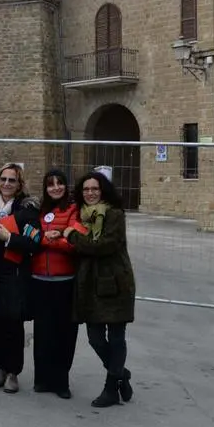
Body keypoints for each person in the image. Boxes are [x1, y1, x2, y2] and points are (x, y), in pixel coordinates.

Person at [65, 171, 136, 408]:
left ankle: (110, 388)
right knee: (95, 338)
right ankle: (121, 374)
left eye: (94, 189)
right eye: (86, 189)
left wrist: (73, 236)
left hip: (115, 282)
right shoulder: (83, 216)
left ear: (103, 190)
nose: (90, 193)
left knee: (116, 338)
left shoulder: (114, 214)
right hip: (91, 285)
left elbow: (104, 245)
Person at [0, 163, 40, 394]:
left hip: (15, 273)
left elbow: (34, 242)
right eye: (3, 179)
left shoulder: (27, 210)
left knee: (13, 323)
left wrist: (10, 238)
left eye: (12, 180)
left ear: (19, 184)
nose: (7, 184)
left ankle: (13, 372)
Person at [29, 169, 79, 399]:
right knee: (42, 332)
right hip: (39, 278)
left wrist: (51, 240)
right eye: (51, 184)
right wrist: (49, 237)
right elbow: (32, 235)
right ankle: (42, 379)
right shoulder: (40, 209)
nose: (56, 187)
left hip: (64, 279)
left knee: (64, 333)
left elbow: (72, 243)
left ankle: (61, 381)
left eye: (60, 183)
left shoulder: (73, 209)